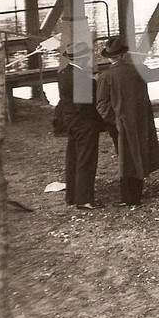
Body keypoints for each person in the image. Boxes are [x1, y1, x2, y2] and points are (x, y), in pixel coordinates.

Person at [96, 35, 159, 208]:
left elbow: (101, 105)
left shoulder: (106, 77)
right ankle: (136, 192)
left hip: (119, 123)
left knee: (125, 157)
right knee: (138, 153)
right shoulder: (138, 70)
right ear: (123, 55)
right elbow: (158, 74)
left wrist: (113, 120)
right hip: (140, 121)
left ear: (110, 57)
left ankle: (129, 197)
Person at [57, 41, 106, 209]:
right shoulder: (83, 79)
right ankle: (84, 199)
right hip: (84, 124)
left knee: (73, 158)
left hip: (71, 121)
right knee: (86, 159)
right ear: (80, 59)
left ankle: (71, 195)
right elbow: (87, 106)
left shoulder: (63, 73)